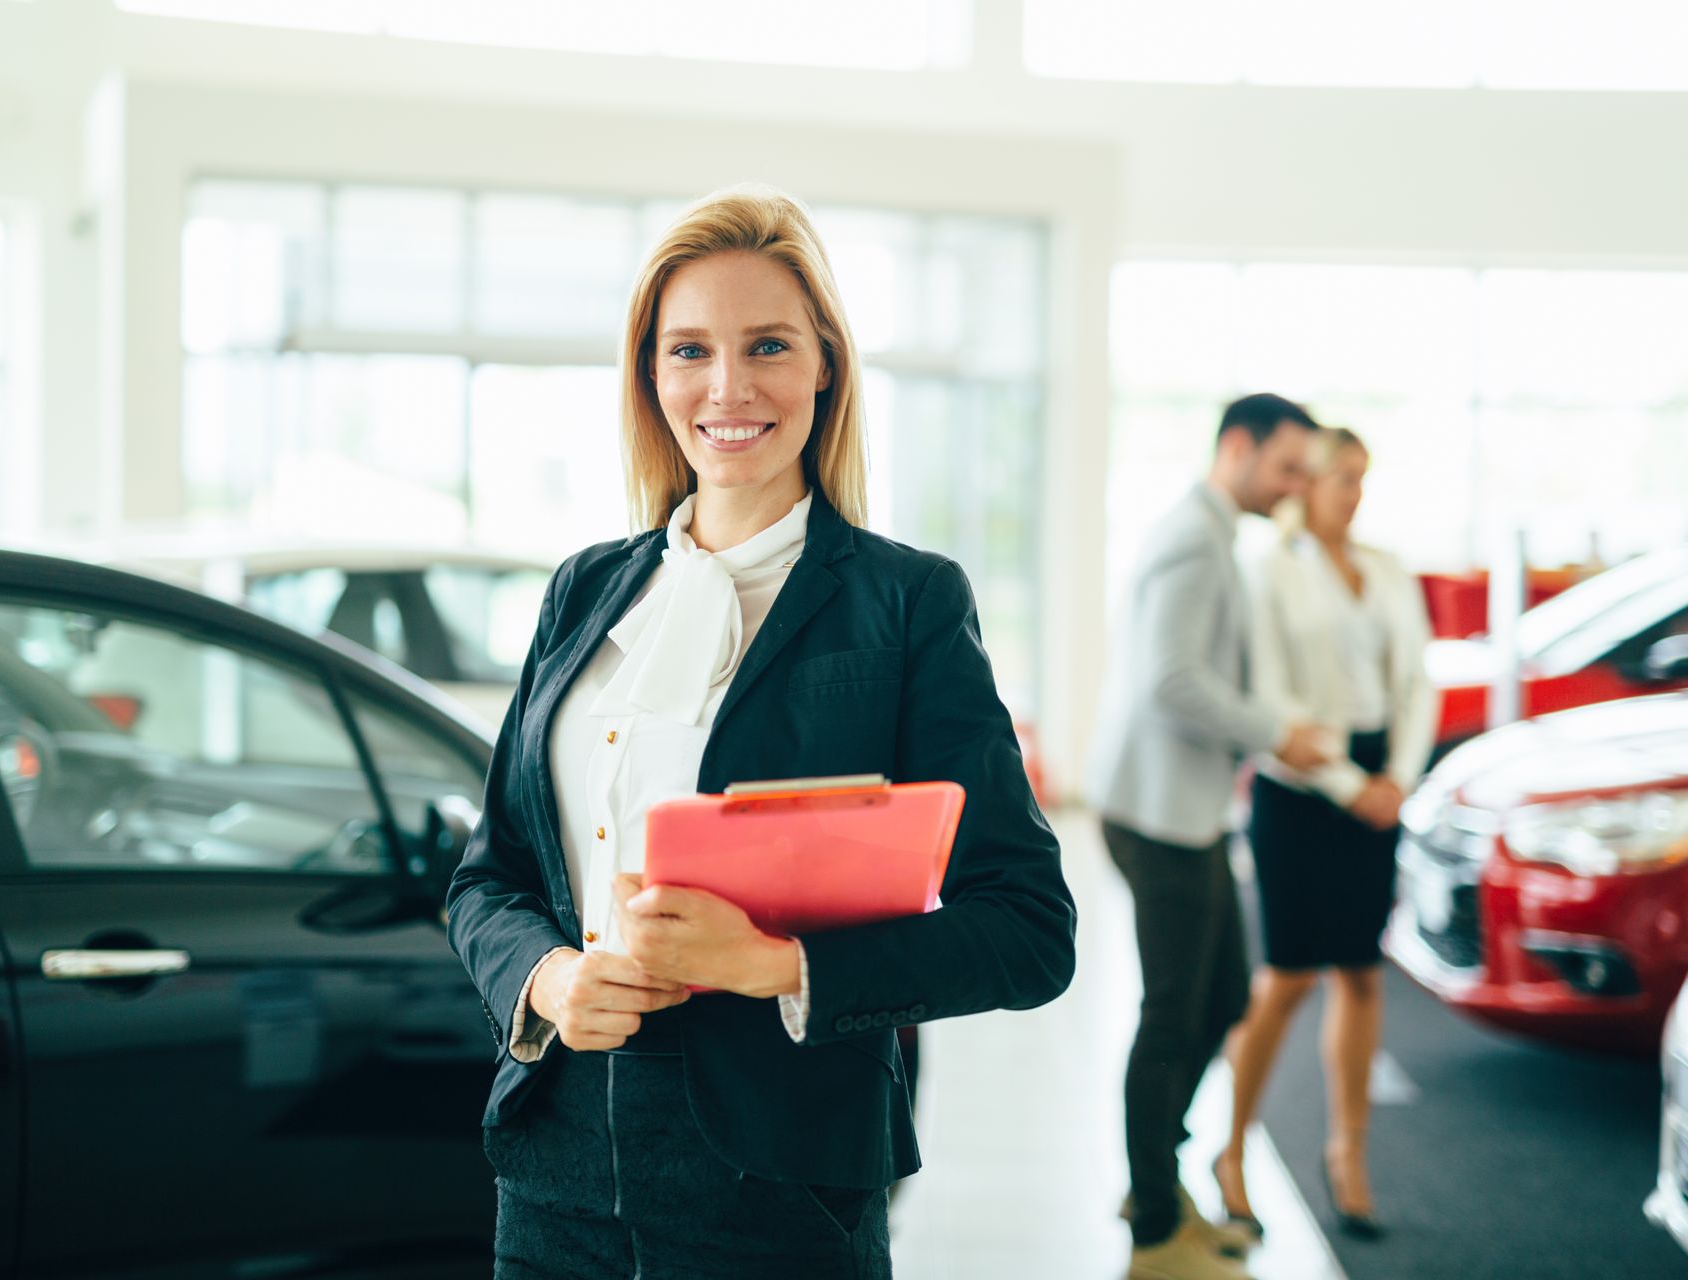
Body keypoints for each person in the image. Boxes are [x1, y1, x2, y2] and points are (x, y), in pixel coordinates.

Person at [443, 184, 1076, 1280]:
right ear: (652, 374)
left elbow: (1029, 926)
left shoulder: (905, 600)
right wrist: (545, 979)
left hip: (776, 1183)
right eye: (690, 349)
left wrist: (777, 963)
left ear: (825, 364)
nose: (728, 386)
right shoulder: (586, 588)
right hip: (553, 1177)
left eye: (768, 345)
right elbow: (485, 877)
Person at [1088, 392, 1333, 1280]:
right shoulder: (1195, 539)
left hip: (1181, 809)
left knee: (1224, 997)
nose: (1298, 484)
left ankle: (1156, 1169)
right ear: (1238, 448)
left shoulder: (1210, 530)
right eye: (1289, 466)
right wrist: (1276, 729)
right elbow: (1172, 682)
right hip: (1160, 815)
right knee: (1173, 1015)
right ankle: (1155, 1216)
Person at [1213, 427, 1436, 1243]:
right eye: (1342, 478)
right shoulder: (1270, 570)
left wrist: (1398, 785)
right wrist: (1352, 788)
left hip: (1380, 784)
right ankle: (1231, 1148)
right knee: (1286, 978)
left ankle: (1348, 1155)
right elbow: (1271, 699)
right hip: (1304, 790)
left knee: (1362, 974)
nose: (1355, 494)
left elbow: (1416, 680)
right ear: (1307, 485)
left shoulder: (1386, 569)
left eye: (1362, 479)